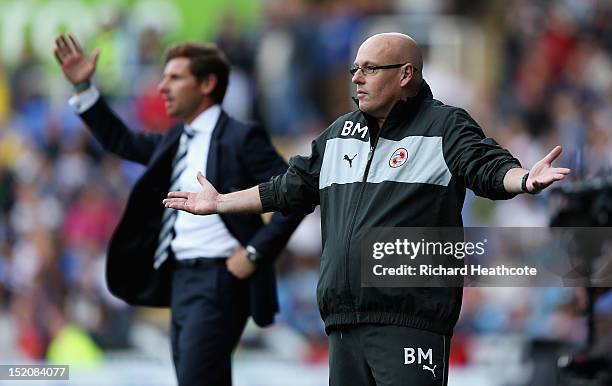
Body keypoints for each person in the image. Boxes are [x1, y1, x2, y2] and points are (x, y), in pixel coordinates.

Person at [163, 33, 571, 386]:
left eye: (371, 69)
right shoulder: (340, 132)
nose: (356, 78)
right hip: (343, 323)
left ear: (406, 74)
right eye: (355, 68)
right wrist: (220, 203)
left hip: (408, 322)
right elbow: (288, 189)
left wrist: (523, 178)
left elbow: (487, 168)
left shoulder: (444, 126)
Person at [53, 33, 302, 386]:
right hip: (179, 281)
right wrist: (84, 87)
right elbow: (121, 140)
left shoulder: (242, 138)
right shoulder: (174, 139)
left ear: (207, 83)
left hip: (220, 279)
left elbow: (295, 195)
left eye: (174, 77)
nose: (162, 87)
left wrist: (255, 251)